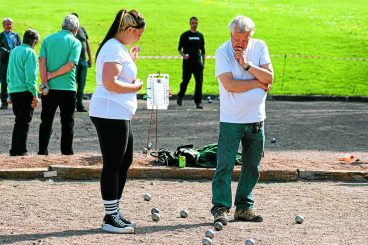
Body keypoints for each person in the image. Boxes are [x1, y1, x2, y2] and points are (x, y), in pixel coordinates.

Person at [211, 15, 274, 225]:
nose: (240, 44)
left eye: (245, 40)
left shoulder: (260, 46)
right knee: (225, 165)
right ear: (231, 35)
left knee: (252, 166)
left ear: (250, 36)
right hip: (231, 119)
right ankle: (220, 207)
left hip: (257, 118)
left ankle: (244, 207)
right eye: (237, 39)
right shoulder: (222, 52)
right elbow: (230, 85)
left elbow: (270, 77)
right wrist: (257, 83)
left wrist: (247, 65)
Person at [89, 9, 145, 234]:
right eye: (139, 33)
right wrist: (136, 87)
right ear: (129, 30)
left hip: (117, 112)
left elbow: (117, 74)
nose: (140, 37)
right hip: (110, 112)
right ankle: (110, 217)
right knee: (113, 163)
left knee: (124, 160)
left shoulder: (117, 48)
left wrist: (129, 60)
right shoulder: (113, 48)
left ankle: (113, 211)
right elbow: (110, 83)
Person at [38, 14, 81, 155]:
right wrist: (52, 74)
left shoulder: (47, 40)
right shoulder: (75, 42)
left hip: (48, 87)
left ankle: (42, 151)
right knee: (67, 122)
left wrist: (45, 81)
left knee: (46, 121)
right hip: (67, 88)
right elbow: (70, 66)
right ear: (76, 29)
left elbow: (42, 63)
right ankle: (67, 153)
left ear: (62, 25)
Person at [7, 29, 40, 156]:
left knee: (18, 121)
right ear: (34, 41)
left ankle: (15, 149)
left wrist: (10, 92)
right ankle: (21, 150)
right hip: (25, 91)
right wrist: (35, 94)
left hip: (14, 90)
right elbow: (31, 77)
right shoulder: (30, 52)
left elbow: (9, 73)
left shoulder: (14, 51)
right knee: (25, 121)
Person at [177, 16, 205, 109]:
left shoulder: (200, 36)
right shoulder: (185, 35)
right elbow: (179, 49)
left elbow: (203, 51)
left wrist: (203, 62)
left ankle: (198, 102)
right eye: (192, 23)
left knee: (199, 83)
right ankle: (180, 96)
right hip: (188, 63)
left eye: (196, 23)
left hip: (197, 63)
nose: (194, 25)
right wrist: (183, 55)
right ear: (190, 24)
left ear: (197, 24)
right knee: (185, 81)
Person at [71, 13, 92, 112]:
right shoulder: (69, 32)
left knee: (81, 84)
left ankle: (79, 104)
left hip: (83, 61)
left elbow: (87, 45)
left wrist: (90, 58)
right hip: (73, 62)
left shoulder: (82, 29)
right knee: (72, 84)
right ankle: (71, 104)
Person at [0, 17, 21, 109]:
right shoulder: (0, 36)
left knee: (15, 81)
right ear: (3, 25)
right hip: (4, 62)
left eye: (10, 24)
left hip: (14, 62)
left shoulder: (16, 35)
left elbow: (20, 47)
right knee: (4, 82)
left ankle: (16, 100)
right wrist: (9, 53)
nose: (8, 26)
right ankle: (4, 102)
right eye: (6, 24)